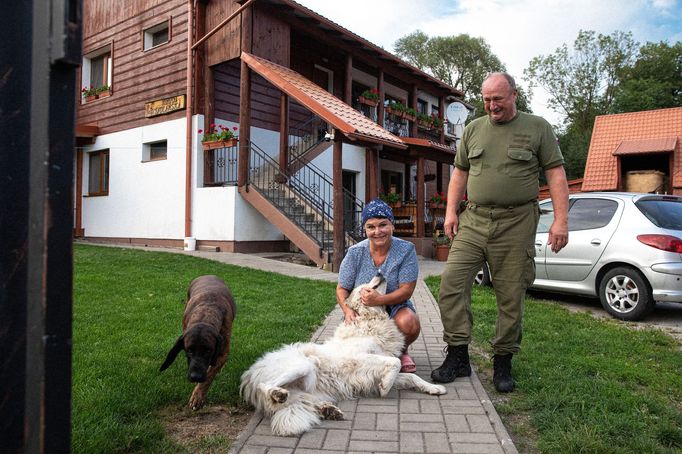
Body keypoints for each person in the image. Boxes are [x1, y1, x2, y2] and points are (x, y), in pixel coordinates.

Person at [431, 72, 569, 392]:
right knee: (452, 283)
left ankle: (503, 360)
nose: (492, 106)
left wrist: (561, 221)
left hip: (517, 222)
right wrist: (451, 212)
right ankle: (458, 355)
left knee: (510, 295)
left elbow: (556, 175)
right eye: (486, 99)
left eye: (498, 99)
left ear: (513, 95)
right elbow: (459, 174)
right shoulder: (473, 129)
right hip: (474, 219)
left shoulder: (538, 128)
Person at [337, 198, 421, 373]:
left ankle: (400, 351)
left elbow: (407, 290)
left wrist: (380, 299)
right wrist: (347, 311)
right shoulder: (354, 253)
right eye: (371, 227)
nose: (378, 231)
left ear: (392, 226)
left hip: (394, 304)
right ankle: (374, 356)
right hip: (363, 309)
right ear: (365, 229)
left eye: (383, 225)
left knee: (409, 323)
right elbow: (342, 288)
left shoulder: (406, 250)